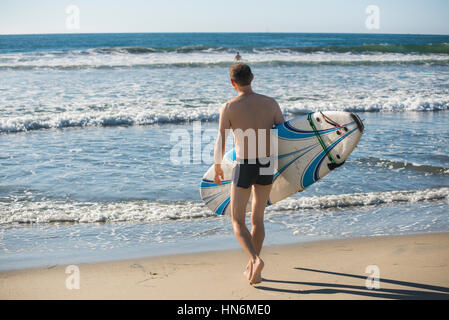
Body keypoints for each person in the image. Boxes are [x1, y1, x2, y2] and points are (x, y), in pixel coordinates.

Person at [213, 63, 284, 285]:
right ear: (252, 77)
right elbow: (284, 134)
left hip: (244, 165)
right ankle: (254, 269)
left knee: (236, 220)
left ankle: (255, 259)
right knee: (257, 219)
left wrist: (217, 167)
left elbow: (221, 140)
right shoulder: (270, 103)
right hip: (266, 164)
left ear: (232, 82)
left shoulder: (229, 107)